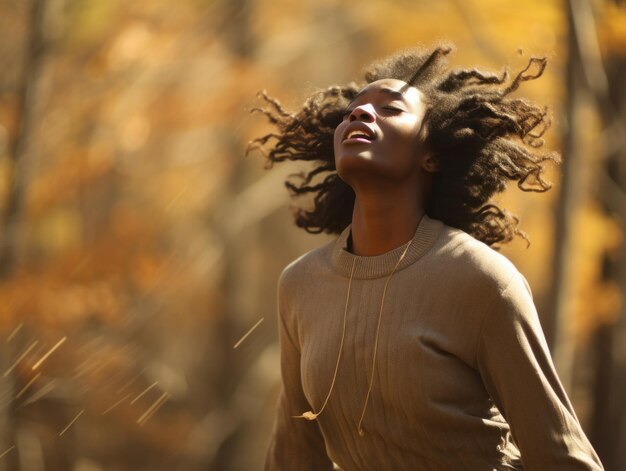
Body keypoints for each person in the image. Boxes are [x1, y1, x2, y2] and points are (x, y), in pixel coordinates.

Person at [250, 45, 604, 470]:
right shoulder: (301, 284)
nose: (359, 116)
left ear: (432, 154)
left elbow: (562, 457)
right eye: (352, 112)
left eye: (390, 110)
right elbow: (295, 455)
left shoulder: (480, 281)